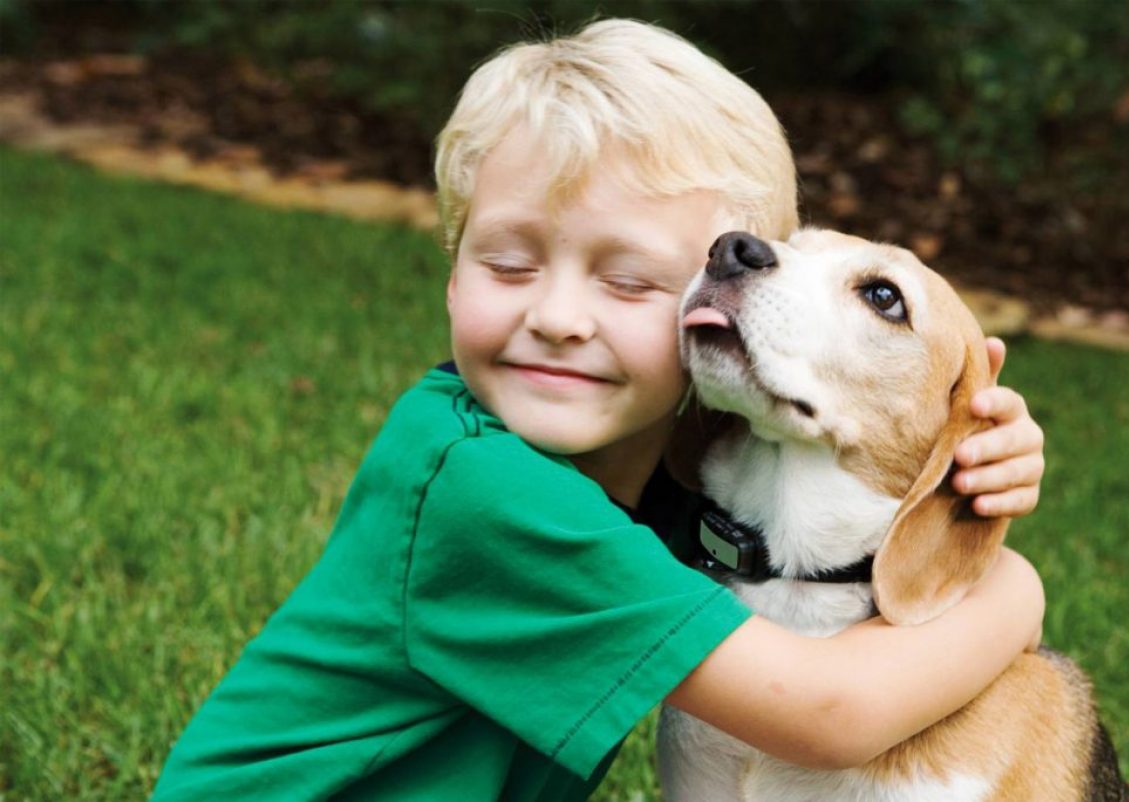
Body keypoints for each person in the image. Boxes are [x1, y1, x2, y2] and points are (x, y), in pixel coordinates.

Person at [152, 19, 1046, 801]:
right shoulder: (483, 487)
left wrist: (964, 456)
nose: (556, 318)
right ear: (452, 268)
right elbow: (826, 713)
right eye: (507, 265)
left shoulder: (656, 466)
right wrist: (1011, 585)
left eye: (628, 281)